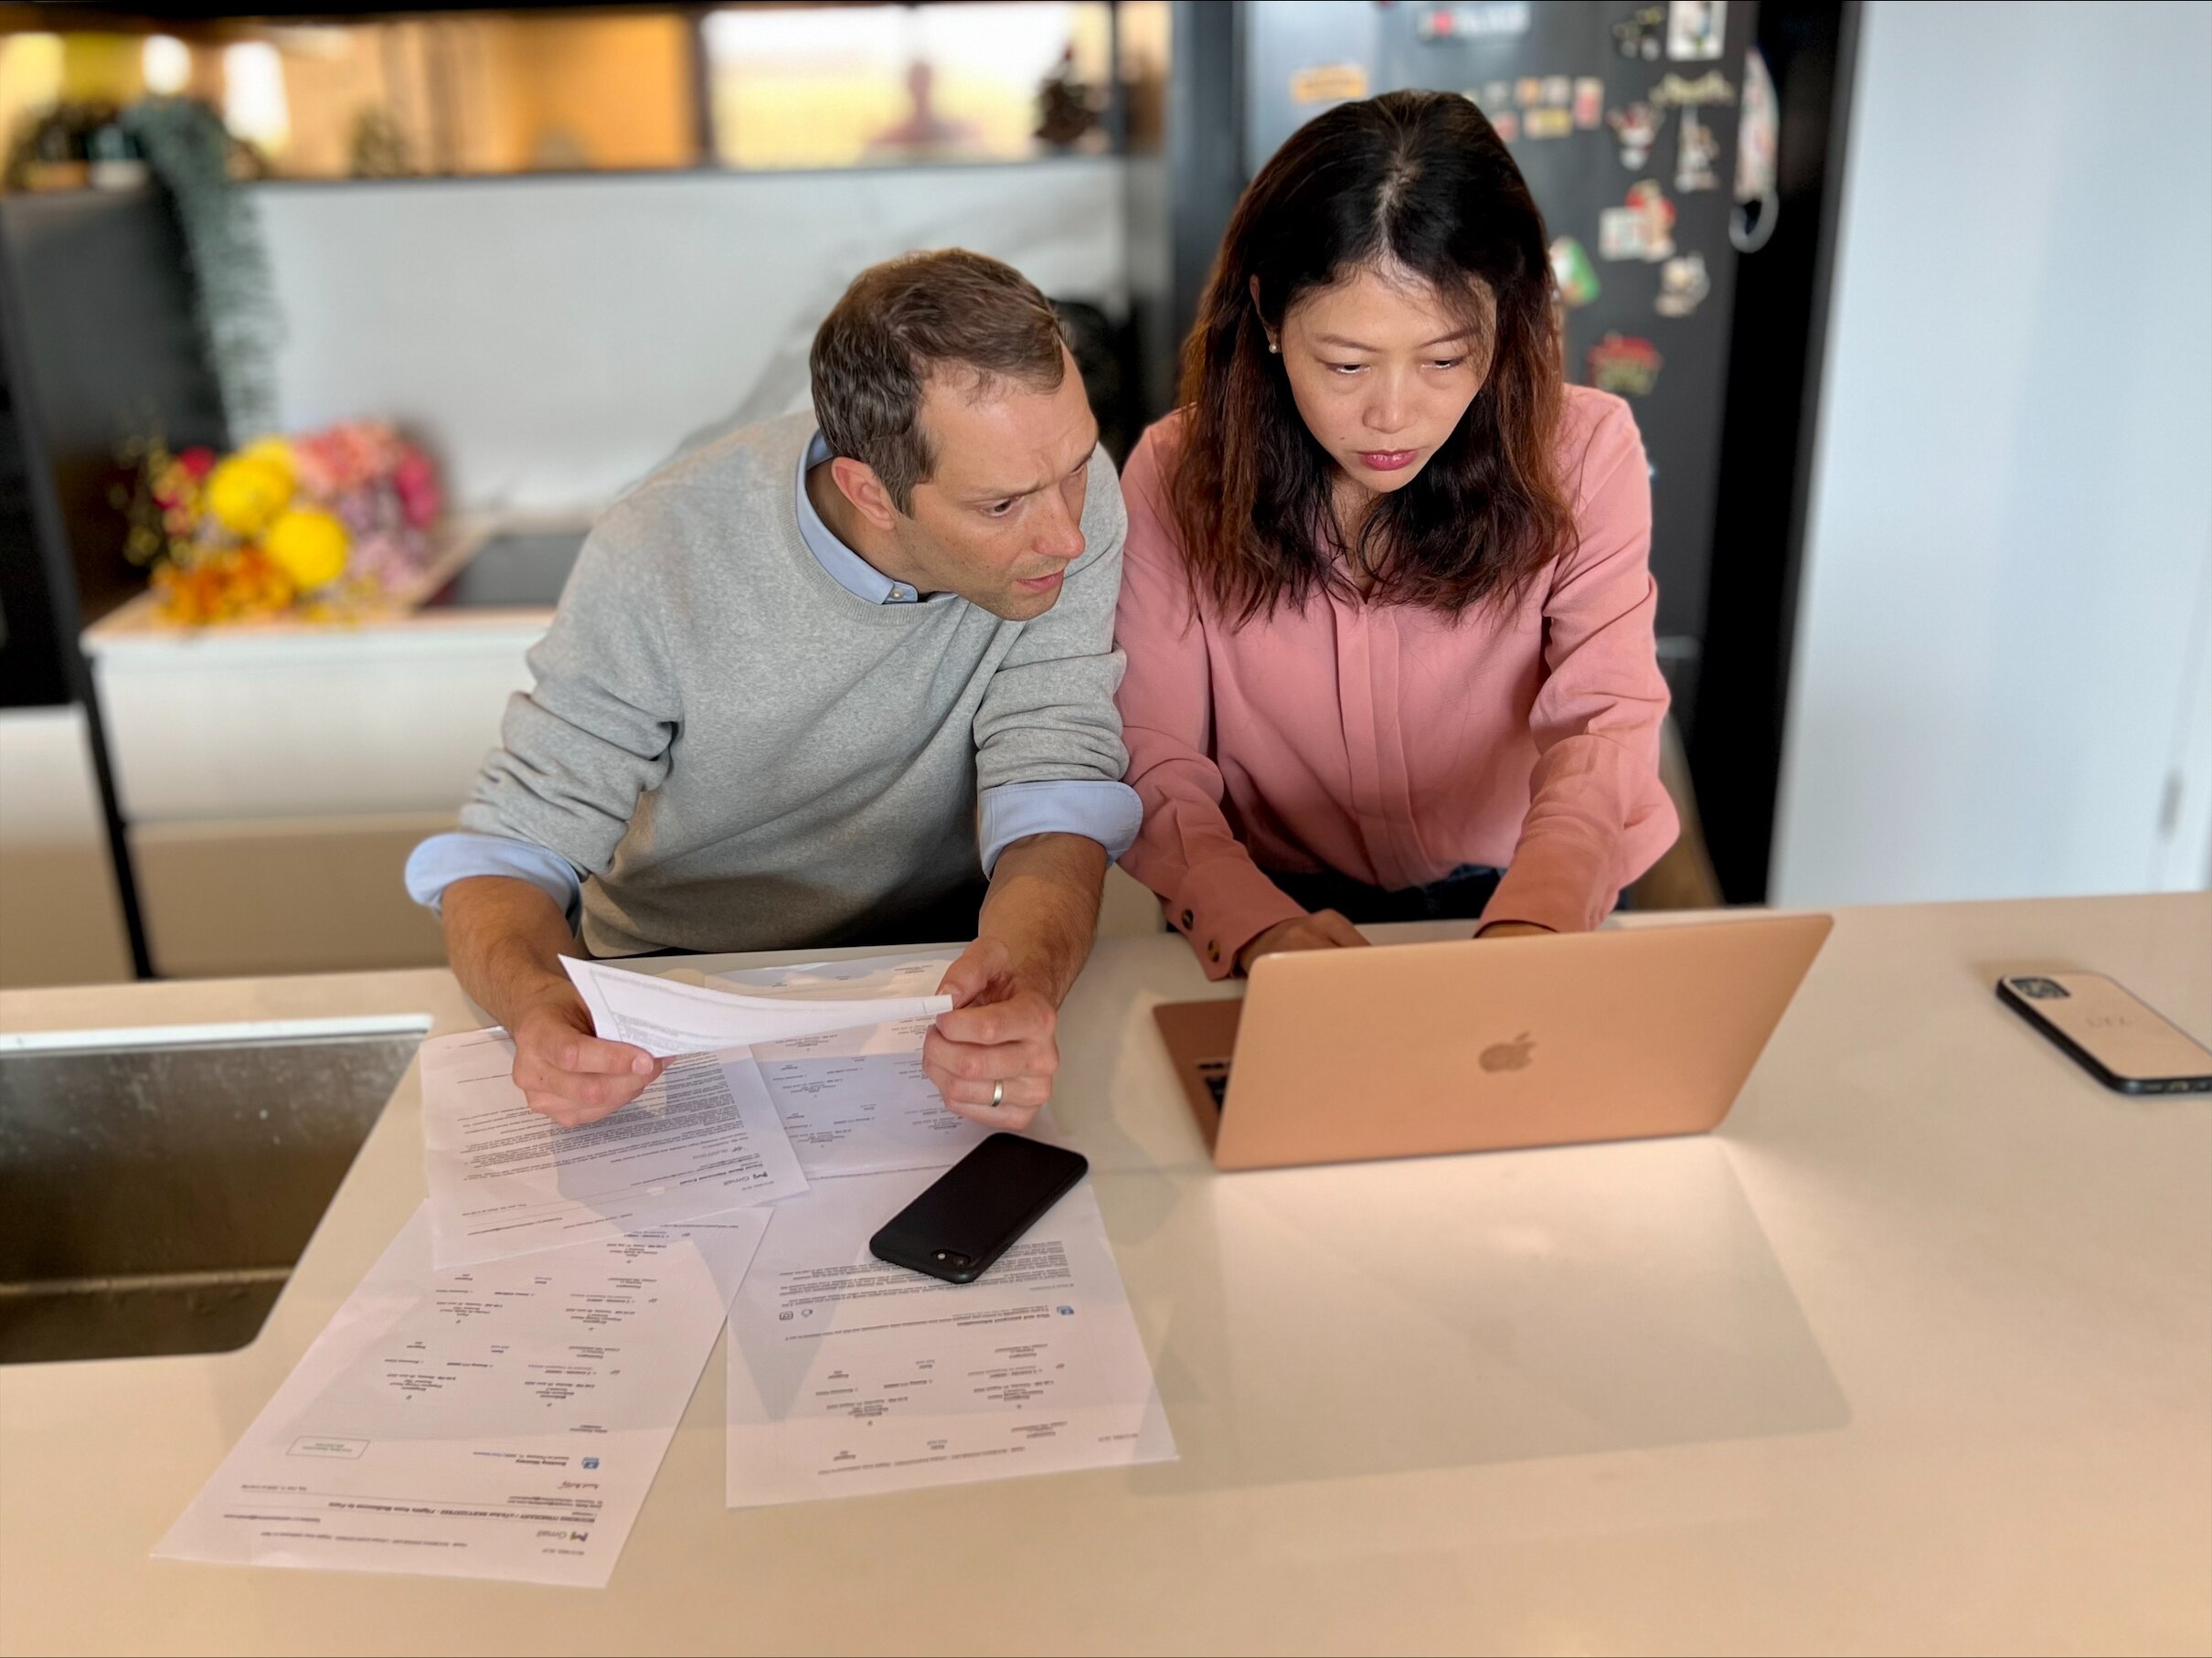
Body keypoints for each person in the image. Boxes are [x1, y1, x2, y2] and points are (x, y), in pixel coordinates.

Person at [405, 250, 1138, 1128]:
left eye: (1076, 465)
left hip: (939, 966)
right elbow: (510, 856)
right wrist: (539, 1012)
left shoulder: (1072, 507)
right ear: (869, 490)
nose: (1065, 531)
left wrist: (1026, 981)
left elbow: (1056, 783)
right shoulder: (659, 552)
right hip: (677, 982)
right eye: (1001, 506)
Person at [1114, 90, 1678, 980]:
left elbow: (1603, 721)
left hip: (1529, 886)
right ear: (1266, 316)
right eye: (1343, 363)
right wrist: (1251, 921)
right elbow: (1151, 748)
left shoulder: (1582, 452)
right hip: (1272, 906)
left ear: (1506, 319)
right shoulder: (1171, 471)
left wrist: (1534, 923)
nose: (1390, 414)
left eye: (1444, 359)